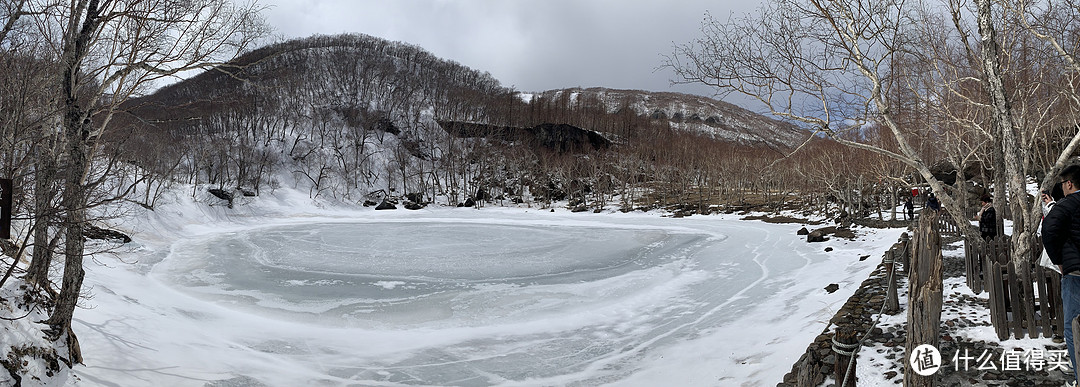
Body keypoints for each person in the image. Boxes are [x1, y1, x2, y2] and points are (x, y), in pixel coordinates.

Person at [1041, 165, 1080, 383]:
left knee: (1073, 329)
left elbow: (1049, 230)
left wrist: (1059, 261)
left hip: (1075, 274)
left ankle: (1078, 375)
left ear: (1069, 184)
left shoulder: (1066, 205)